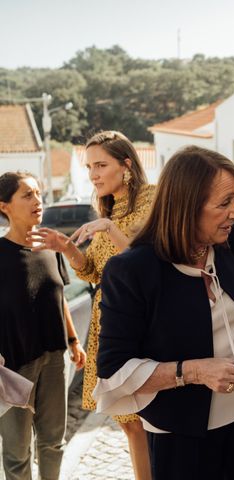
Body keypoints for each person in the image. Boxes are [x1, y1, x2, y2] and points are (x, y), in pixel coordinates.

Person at [91, 146, 234, 479]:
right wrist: (193, 372)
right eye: (225, 203)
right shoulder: (132, 270)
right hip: (180, 435)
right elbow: (113, 370)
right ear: (186, 208)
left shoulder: (227, 239)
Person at [29, 131, 155, 480]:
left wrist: (107, 226)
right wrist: (65, 246)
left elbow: (143, 259)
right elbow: (92, 272)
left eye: (101, 165)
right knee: (128, 421)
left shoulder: (151, 198)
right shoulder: (108, 208)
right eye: (89, 167)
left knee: (150, 419)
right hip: (107, 320)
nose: (93, 174)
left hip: (142, 320)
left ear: (126, 164)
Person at [0, 172, 86, 480]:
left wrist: (75, 342)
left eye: (38, 193)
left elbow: (59, 295)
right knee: (16, 453)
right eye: (27, 195)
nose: (38, 201)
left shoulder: (50, 245)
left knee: (52, 443)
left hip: (54, 360)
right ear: (4, 205)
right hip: (12, 366)